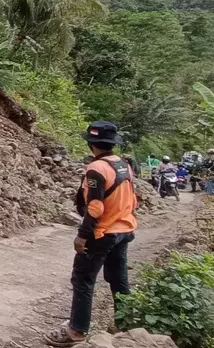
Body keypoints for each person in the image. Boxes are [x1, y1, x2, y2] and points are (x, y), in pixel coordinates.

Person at [45, 121, 138, 347]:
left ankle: (76, 330)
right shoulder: (123, 164)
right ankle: (125, 323)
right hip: (124, 229)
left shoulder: (96, 169)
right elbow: (132, 199)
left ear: (91, 144)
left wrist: (82, 235)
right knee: (118, 279)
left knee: (83, 279)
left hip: (102, 232)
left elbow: (95, 207)